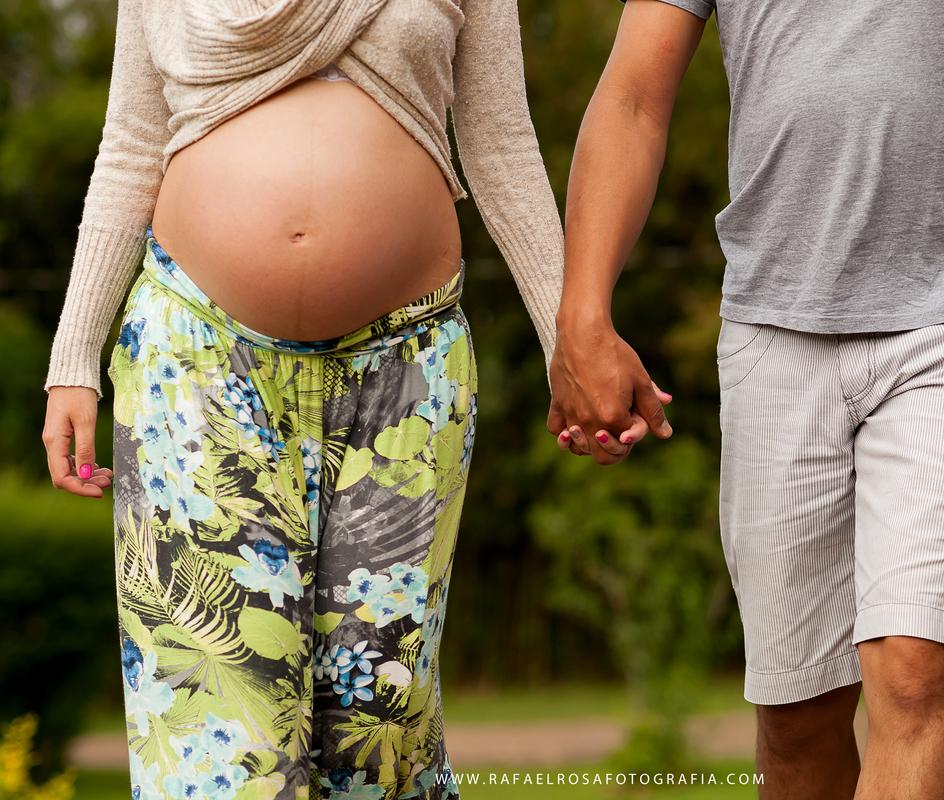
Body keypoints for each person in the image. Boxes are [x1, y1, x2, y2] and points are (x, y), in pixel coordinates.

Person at [548, 1, 944, 798]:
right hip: (774, 331)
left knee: (917, 677)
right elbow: (631, 96)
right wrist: (581, 314)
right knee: (798, 718)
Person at [40, 0, 563, 797]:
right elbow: (132, 145)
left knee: (378, 723)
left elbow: (500, 141)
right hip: (198, 363)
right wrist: (73, 352)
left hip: (405, 368)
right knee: (219, 749)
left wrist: (572, 340)